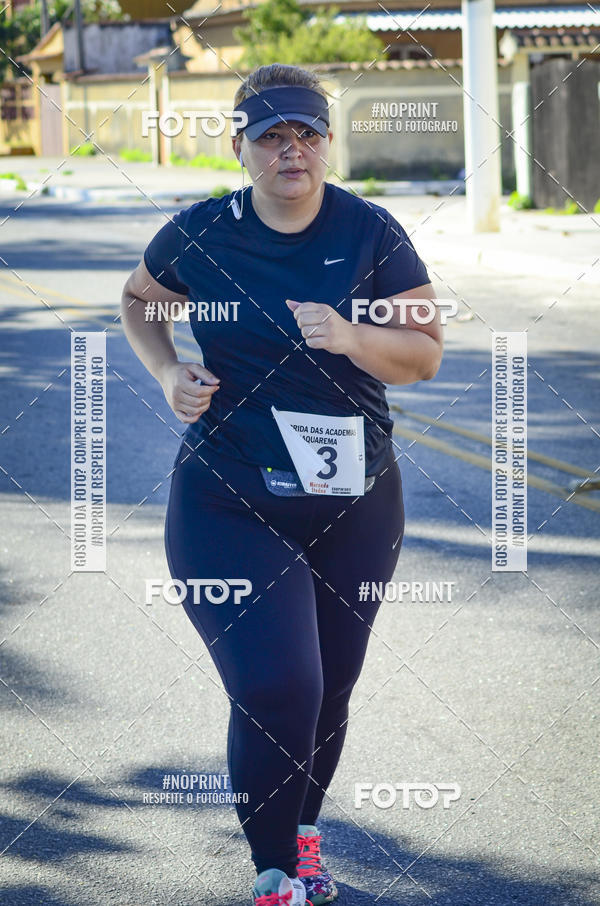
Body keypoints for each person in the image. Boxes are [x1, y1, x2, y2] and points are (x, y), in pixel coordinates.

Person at [120, 62, 442, 906]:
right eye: (271, 135)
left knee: (330, 684)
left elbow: (424, 354)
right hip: (229, 495)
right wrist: (166, 375)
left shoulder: (372, 231)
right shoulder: (202, 232)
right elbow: (139, 301)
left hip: (356, 500)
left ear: (327, 142)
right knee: (278, 683)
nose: (291, 149)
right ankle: (271, 875)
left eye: (306, 132)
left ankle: (302, 837)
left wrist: (351, 337)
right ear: (239, 148)